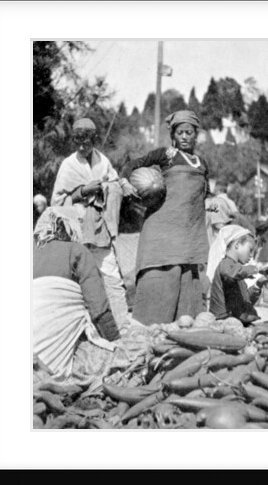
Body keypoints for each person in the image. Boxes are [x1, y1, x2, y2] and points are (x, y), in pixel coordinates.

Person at [120, 110, 211, 325]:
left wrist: (212, 203)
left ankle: (182, 331)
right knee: (162, 276)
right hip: (162, 230)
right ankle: (150, 331)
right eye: (180, 132)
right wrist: (125, 183)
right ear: (173, 135)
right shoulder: (166, 155)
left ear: (196, 134)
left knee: (187, 278)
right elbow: (130, 166)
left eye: (189, 132)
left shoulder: (203, 163)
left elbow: (202, 193)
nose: (185, 136)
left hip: (189, 232)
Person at [51, 117, 130, 329]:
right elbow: (56, 202)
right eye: (78, 142)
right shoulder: (68, 165)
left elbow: (114, 182)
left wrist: (112, 186)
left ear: (94, 140)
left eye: (87, 142)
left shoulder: (103, 161)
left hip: (99, 228)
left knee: (111, 275)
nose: (82, 146)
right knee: (76, 278)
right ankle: (77, 328)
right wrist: (82, 192)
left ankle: (122, 325)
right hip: (76, 230)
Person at [33, 206, 120, 381]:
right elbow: (98, 306)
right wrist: (115, 340)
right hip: (51, 360)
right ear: (68, 226)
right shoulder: (77, 251)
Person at [207, 225, 268, 325]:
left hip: (232, 319)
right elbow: (231, 273)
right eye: (250, 249)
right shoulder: (226, 265)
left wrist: (257, 286)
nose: (251, 255)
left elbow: (245, 299)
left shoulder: (236, 270)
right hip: (222, 320)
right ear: (237, 245)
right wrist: (256, 268)